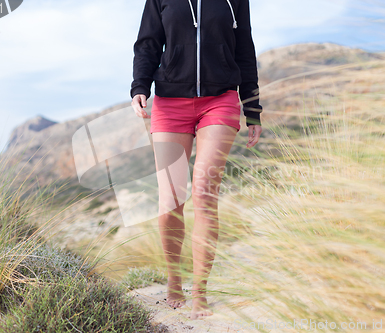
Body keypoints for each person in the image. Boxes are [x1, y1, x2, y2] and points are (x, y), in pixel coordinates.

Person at [130, 0, 263, 320]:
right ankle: (174, 280)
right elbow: (148, 42)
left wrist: (253, 109)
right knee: (171, 199)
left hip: (220, 101)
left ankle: (200, 290)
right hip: (169, 103)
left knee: (204, 192)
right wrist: (139, 85)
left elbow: (244, 47)